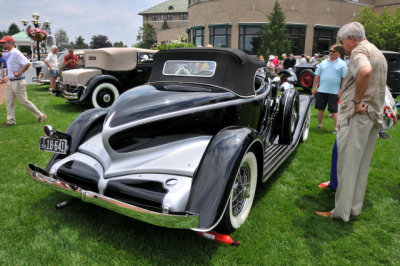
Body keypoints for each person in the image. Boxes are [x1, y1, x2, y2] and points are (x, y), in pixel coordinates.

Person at [316, 22, 388, 221]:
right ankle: (354, 208)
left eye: (342, 41)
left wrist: (356, 101)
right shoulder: (377, 52)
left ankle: (340, 212)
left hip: (358, 117)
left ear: (350, 38)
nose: (342, 46)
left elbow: (365, 71)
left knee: (347, 166)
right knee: (361, 166)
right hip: (372, 116)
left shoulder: (359, 52)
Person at [0, 36, 46, 126]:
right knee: (9, 102)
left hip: (18, 81)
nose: (2, 44)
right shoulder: (9, 53)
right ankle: (11, 121)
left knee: (24, 101)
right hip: (11, 82)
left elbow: (27, 63)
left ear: (10, 43)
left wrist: (20, 72)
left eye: (3, 43)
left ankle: (41, 115)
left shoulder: (16, 53)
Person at [312, 44, 347, 133]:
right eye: (330, 51)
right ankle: (319, 124)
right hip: (322, 90)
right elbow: (317, 76)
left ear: (339, 53)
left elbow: (344, 79)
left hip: (334, 91)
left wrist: (341, 90)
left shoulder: (342, 64)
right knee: (320, 108)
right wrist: (314, 87)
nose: (331, 53)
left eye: (333, 51)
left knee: (334, 110)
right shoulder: (323, 62)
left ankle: (336, 127)